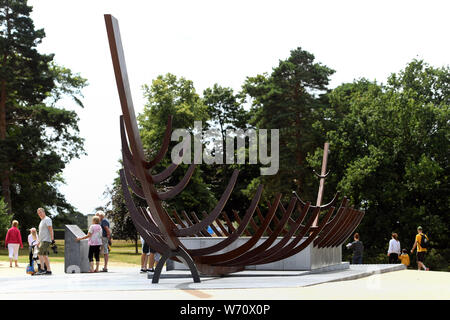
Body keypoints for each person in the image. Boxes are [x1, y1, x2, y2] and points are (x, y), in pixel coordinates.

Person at [35, 207, 54, 275]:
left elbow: (50, 229)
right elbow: (41, 233)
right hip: (42, 240)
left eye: (40, 212)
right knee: (45, 255)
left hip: (46, 239)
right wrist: (39, 241)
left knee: (40, 253)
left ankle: (42, 269)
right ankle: (48, 270)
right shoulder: (42, 221)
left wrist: (52, 239)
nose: (39, 214)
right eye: (38, 213)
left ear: (44, 212)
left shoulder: (47, 219)